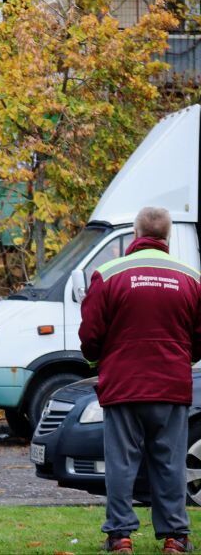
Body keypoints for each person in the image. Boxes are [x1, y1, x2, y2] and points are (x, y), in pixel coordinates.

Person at [79, 206, 201, 554]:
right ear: (167, 236)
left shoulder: (108, 273)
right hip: (171, 386)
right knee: (170, 462)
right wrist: (184, 357)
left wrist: (96, 360)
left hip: (123, 386)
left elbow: (90, 333)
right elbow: (199, 335)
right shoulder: (190, 277)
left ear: (135, 235)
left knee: (121, 463)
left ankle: (120, 536)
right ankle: (176, 537)